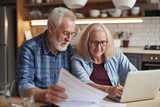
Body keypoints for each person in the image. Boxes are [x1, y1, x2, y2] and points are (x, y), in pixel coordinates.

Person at [15, 7, 77, 103]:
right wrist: (43, 95)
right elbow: (23, 85)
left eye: (72, 34)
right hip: (38, 103)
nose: (69, 39)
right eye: (66, 33)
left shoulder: (69, 50)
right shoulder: (29, 48)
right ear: (51, 28)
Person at [71, 23, 137, 97]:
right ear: (86, 42)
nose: (99, 47)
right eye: (95, 42)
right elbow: (84, 84)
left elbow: (134, 75)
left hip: (113, 101)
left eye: (102, 42)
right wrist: (108, 89)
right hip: (90, 100)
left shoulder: (117, 54)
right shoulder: (77, 60)